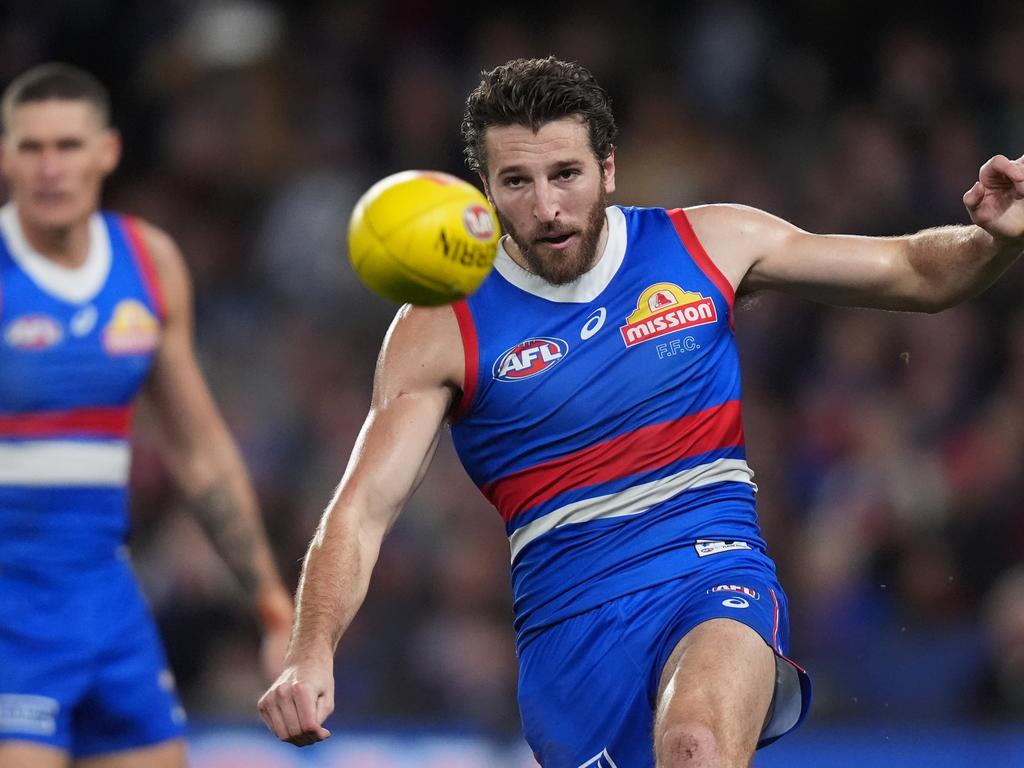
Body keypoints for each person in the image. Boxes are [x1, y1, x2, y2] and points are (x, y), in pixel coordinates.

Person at [257, 56, 1024, 767]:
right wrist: (311, 650)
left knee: (694, 742)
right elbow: (359, 511)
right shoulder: (439, 326)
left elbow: (917, 272)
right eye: (517, 183)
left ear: (610, 168)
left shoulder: (711, 244)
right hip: (571, 635)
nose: (548, 207)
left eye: (566, 174)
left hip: (713, 571)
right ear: (484, 190)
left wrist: (994, 240)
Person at [0, 63, 294, 768]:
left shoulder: (148, 262)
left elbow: (200, 451)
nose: (50, 168)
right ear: (5, 155)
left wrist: (272, 607)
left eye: (68, 146)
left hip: (105, 598)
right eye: (31, 147)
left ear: (107, 151)